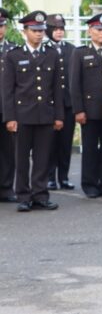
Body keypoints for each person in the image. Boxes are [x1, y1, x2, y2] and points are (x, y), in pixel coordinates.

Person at [2, 11, 64, 212]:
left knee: (42, 158)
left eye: (41, 30)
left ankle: (40, 195)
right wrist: (10, 117)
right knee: (21, 159)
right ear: (25, 31)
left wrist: (59, 116)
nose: (38, 34)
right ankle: (23, 196)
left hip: (45, 114)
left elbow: (57, 88)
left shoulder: (52, 54)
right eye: (34, 30)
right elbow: (8, 91)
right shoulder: (14, 55)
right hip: (22, 115)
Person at [70, 13, 102, 198]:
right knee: (90, 149)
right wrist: (78, 110)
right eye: (99, 29)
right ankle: (90, 184)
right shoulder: (80, 53)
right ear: (90, 31)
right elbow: (75, 84)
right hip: (89, 110)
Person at [44, 14, 76, 191]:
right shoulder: (44, 49)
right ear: (48, 31)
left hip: (68, 103)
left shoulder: (71, 49)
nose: (59, 32)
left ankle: (64, 177)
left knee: (65, 142)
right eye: (55, 29)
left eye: (61, 29)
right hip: (49, 104)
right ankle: (50, 177)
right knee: (50, 143)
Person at [0, 8, 18, 203]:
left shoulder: (12, 51)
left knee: (8, 150)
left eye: (1, 25)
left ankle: (6, 188)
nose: (0, 29)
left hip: (7, 108)